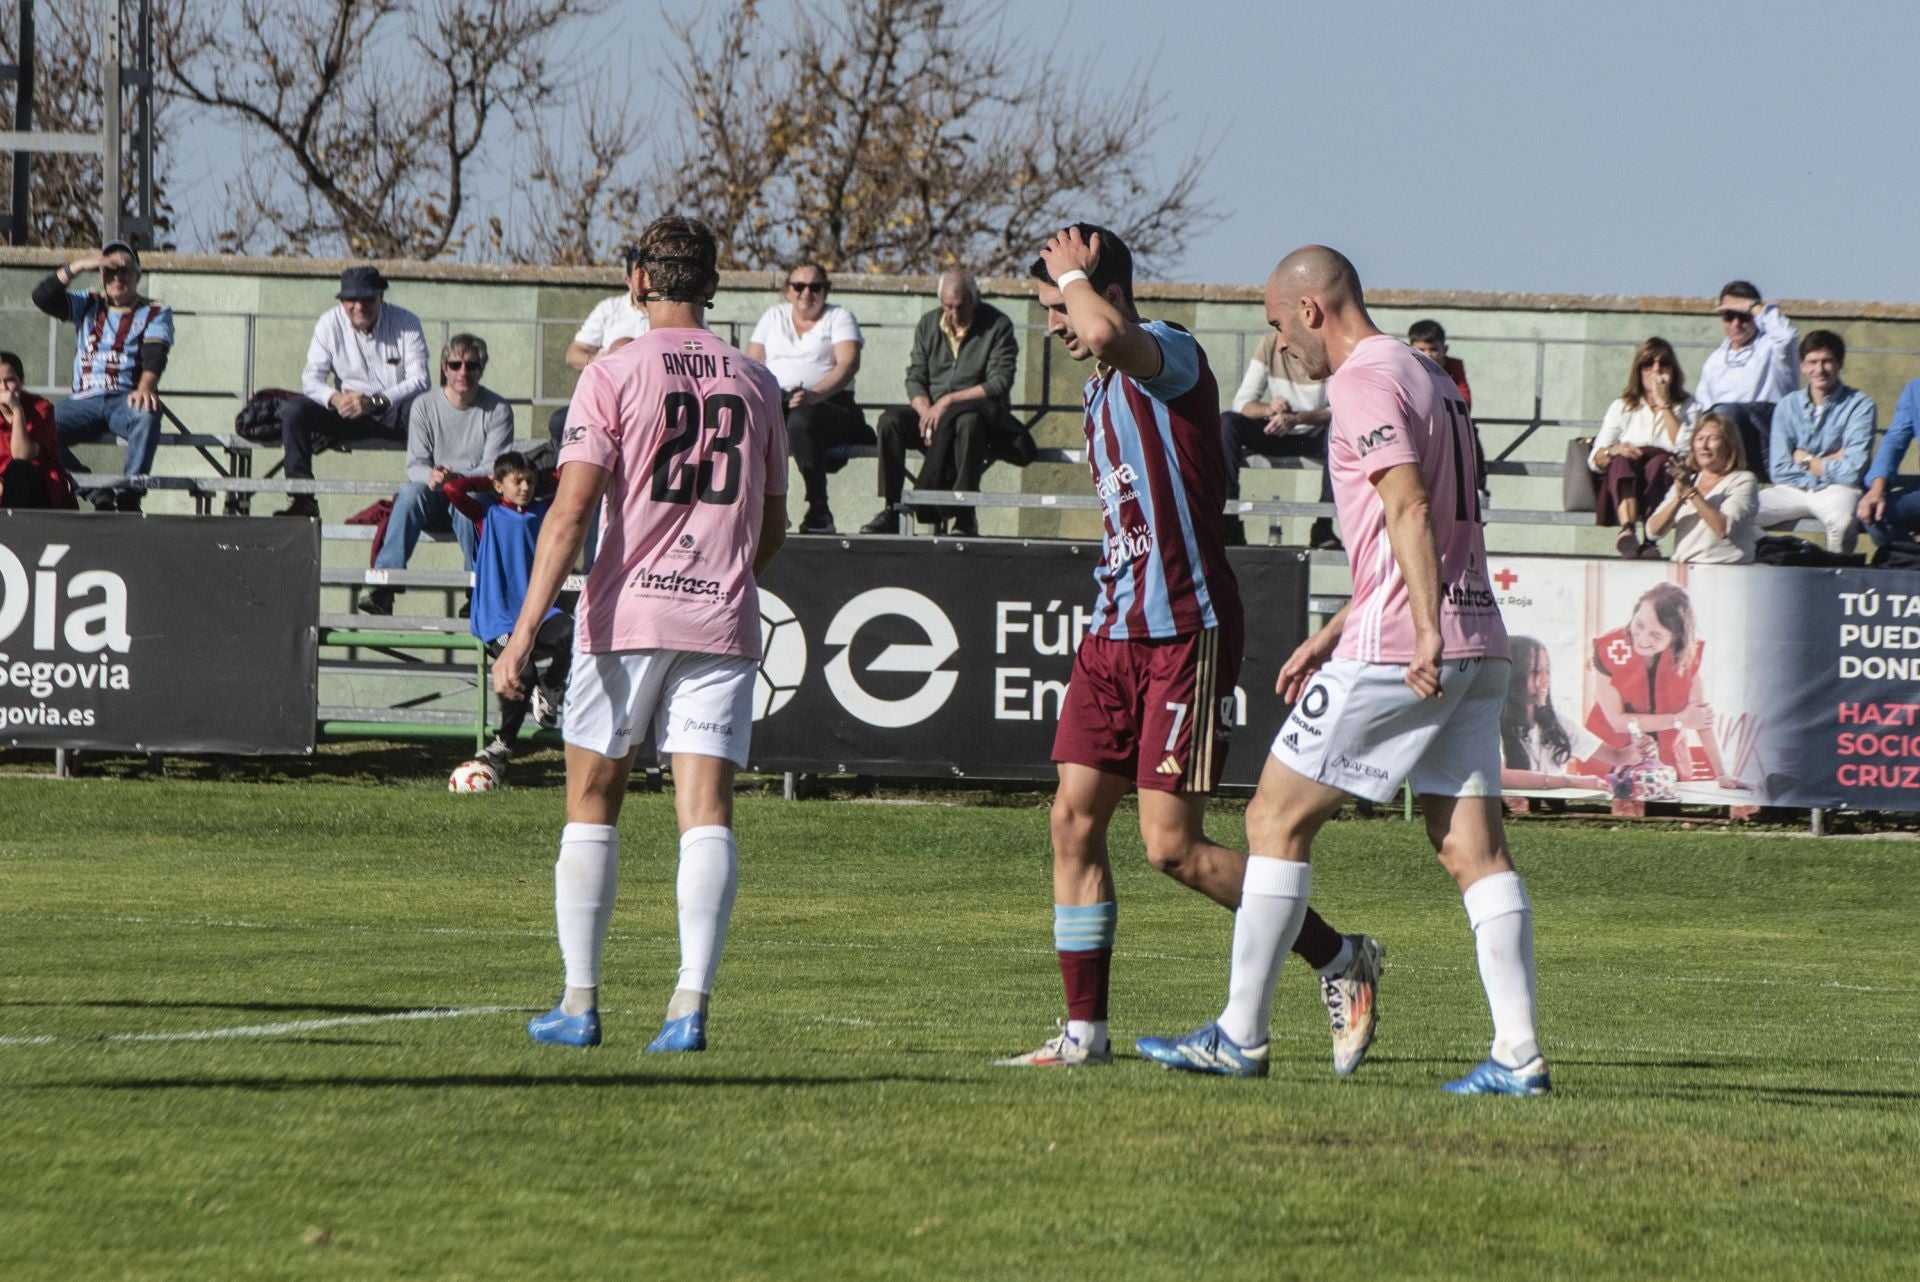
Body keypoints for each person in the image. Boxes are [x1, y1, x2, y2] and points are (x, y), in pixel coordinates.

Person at [1138, 245, 1547, 1097]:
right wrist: (1338, 628)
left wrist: (1417, 631)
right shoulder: (1429, 374)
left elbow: (1406, 503)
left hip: (1410, 644)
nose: (1282, 346)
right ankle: (1519, 1055)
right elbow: (1425, 523)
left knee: (1273, 820)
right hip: (1479, 640)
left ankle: (1241, 1036)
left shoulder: (1363, 379)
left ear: (1315, 310)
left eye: (1281, 328)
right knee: (1473, 848)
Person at [993, 225, 1382, 1077]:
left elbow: (1103, 330)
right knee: (1072, 821)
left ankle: (1341, 956)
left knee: (1171, 847)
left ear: (1101, 290)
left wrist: (1077, 279)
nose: (1056, 323)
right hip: (1112, 630)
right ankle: (1082, 1034)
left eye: (1058, 302)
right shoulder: (1099, 390)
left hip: (1184, 627)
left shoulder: (1167, 352)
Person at [500, 215, 789, 1053]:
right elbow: (774, 526)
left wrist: (521, 636)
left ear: (637, 281)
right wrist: (725, 578)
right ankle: (688, 1006)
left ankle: (580, 1002)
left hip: (625, 616)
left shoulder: (613, 372)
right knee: (706, 812)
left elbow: (571, 511)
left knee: (593, 801)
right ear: (712, 284)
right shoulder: (757, 381)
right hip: (721, 616)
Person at [860, 270, 1026, 538]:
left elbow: (999, 383)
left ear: (975, 300)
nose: (954, 314)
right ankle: (892, 507)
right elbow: (915, 376)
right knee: (889, 421)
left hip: (974, 413)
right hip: (933, 413)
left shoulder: (997, 325)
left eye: (961, 306)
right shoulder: (928, 324)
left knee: (968, 423)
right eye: (948, 307)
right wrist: (925, 409)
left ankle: (965, 512)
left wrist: (947, 401)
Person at [358, 333, 515, 615]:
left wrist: (457, 480)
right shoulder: (424, 406)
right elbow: (415, 464)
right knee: (409, 492)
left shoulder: (498, 409)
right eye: (455, 365)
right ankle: (385, 586)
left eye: (471, 365)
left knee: (471, 500)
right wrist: (433, 476)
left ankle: (476, 591)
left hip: (472, 493)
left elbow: (494, 468)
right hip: (433, 494)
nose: (462, 372)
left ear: (482, 368)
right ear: (444, 368)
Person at [447, 451, 572, 773]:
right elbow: (453, 490)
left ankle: (552, 686)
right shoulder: (486, 514)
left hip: (539, 612)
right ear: (499, 485)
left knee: (572, 634)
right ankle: (503, 744)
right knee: (522, 672)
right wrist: (490, 481)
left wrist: (540, 479)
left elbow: (566, 479)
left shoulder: (543, 511)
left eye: (530, 481)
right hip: (499, 618)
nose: (526, 487)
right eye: (517, 481)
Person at [31, 239, 173, 512]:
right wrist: (80, 265)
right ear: (101, 275)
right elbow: (42, 297)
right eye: (110, 271)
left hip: (125, 398)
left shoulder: (155, 311)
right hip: (83, 400)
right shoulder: (87, 304)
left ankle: (130, 494)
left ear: (138, 275)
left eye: (125, 270)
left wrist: (145, 386)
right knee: (37, 431)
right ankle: (95, 491)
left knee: (148, 413)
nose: (118, 277)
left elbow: (156, 353)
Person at [276, 266, 430, 518]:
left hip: (393, 412)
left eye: (367, 299)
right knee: (294, 410)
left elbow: (420, 380)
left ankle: (431, 495)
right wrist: (335, 399)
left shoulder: (406, 322)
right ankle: (301, 498)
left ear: (381, 297)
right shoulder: (328, 323)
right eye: (351, 300)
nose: (358, 306)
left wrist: (374, 401)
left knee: (428, 408)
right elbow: (311, 378)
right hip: (345, 412)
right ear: (342, 301)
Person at [1581, 582, 1742, 789]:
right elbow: (1617, 722)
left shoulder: (1687, 655)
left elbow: (1701, 719)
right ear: (1635, 612)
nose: (1642, 639)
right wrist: (1679, 720)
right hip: (1609, 761)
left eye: (1656, 635)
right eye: (1638, 624)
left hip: (1667, 765)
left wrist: (1722, 774)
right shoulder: (1607, 649)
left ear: (1676, 638)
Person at [747, 263, 867, 534]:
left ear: (826, 291)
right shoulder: (773, 317)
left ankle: (819, 509)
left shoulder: (839, 317)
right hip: (780, 402)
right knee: (746, 421)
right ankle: (754, 509)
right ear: (788, 291)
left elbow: (848, 365)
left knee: (801, 422)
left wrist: (814, 395)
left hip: (831, 404)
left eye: (815, 287)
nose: (806, 293)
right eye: (799, 286)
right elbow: (753, 365)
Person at [1754, 331, 1874, 554]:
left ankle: (1836, 577)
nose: (1819, 370)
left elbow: (1852, 472)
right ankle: (1784, 554)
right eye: (1812, 362)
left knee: (1843, 523)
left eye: (1827, 361)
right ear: (1802, 366)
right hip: (1792, 488)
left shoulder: (1860, 405)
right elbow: (1779, 470)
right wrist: (1831, 461)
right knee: (1738, 515)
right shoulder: (1786, 406)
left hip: (1838, 490)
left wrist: (1806, 460)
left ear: (1839, 364)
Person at [1218, 330, 1338, 549]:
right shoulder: (1270, 343)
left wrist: (1298, 418)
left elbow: (1339, 409)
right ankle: (1229, 523)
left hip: (1313, 434)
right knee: (1227, 423)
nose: (1281, 342)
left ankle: (1323, 526)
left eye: (1284, 328)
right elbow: (1242, 403)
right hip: (1275, 430)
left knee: (1339, 429)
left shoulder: (1329, 344)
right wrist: (1269, 408)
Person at [1588, 338, 1700, 558]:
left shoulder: (1688, 405)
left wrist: (1664, 404)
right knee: (1621, 460)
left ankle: (1650, 540)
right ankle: (1627, 529)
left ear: (1672, 370)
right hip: (1628, 477)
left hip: (1666, 477)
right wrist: (1614, 450)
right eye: (1648, 364)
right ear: (1639, 370)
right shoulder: (1623, 406)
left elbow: (1686, 448)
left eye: (1663, 364)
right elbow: (1595, 460)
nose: (1656, 370)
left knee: (1662, 462)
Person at [548, 245, 654, 445]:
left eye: (647, 277)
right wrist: (595, 361)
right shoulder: (609, 310)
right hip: (609, 401)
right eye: (637, 276)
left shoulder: (670, 312)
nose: (643, 283)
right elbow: (572, 354)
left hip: (651, 400)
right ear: (628, 280)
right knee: (560, 423)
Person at [1692, 280, 1799, 471]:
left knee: (1727, 413)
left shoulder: (1772, 348)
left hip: (1768, 434)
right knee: (1714, 420)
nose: (1736, 323)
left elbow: (1787, 337)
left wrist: (1754, 308)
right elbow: (1704, 408)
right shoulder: (1714, 361)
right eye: (1729, 316)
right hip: (1725, 438)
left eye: (1743, 316)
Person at [1645, 411, 1759, 564]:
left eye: (1713, 439)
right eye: (1699, 439)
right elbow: (1653, 532)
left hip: (1727, 573)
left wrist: (1691, 493)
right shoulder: (1688, 481)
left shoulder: (1743, 480)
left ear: (1729, 446)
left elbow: (1723, 529)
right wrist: (1679, 497)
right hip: (1686, 572)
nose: (1704, 446)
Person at [1499, 638, 1606, 793]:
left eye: (1547, 671)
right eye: (1535, 672)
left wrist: (1639, 748)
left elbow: (1616, 755)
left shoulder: (1556, 721)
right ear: (1513, 676)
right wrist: (1569, 781)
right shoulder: (1489, 723)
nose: (1545, 679)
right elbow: (1500, 777)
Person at [0, 350, 79, 510]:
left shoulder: (40, 408)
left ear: (20, 381)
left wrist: (17, 411)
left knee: (19, 470)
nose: (3, 388)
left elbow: (22, 455)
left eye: (9, 380)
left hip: (40, 489)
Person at [1859, 373, 1920, 555]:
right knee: (1876, 514)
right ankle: (1912, 567)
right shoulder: (1914, 391)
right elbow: (1894, 442)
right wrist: (1876, 489)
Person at [1407, 319, 1472, 409]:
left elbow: (1465, 402)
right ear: (1411, 351)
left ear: (1444, 350)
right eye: (1421, 350)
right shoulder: (1406, 368)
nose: (1427, 355)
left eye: (1433, 349)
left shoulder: (1453, 367)